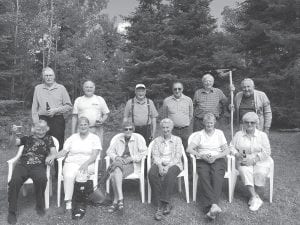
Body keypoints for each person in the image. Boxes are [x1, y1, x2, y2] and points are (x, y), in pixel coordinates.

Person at [7, 120, 57, 225]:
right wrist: (13, 133)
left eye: (43, 129)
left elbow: (54, 152)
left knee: (41, 179)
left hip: (38, 165)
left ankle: (39, 205)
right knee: (14, 181)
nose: (41, 132)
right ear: (33, 129)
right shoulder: (27, 138)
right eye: (38, 129)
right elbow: (12, 143)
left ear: (47, 129)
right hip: (23, 165)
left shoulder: (49, 139)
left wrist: (51, 157)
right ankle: (12, 211)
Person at [186, 113, 229, 220]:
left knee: (217, 176)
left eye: (211, 122)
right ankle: (214, 205)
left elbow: (227, 150)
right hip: (202, 159)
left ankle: (211, 206)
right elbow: (189, 149)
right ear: (203, 123)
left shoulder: (219, 133)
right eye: (207, 123)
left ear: (214, 123)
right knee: (204, 176)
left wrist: (216, 156)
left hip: (218, 158)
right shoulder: (199, 135)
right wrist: (201, 155)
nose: (209, 125)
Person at [55, 117, 101, 210]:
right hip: (71, 162)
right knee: (68, 175)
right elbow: (63, 152)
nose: (83, 126)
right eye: (81, 124)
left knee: (81, 174)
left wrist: (86, 163)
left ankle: (80, 200)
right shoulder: (72, 138)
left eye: (85, 124)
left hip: (88, 163)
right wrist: (52, 156)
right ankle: (68, 201)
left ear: (88, 126)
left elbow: (95, 155)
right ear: (78, 126)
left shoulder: (94, 138)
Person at [230, 112, 273, 211]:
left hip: (260, 160)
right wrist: (236, 154)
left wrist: (254, 160)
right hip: (244, 159)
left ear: (256, 123)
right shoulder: (238, 135)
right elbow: (231, 146)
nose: (249, 124)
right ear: (243, 123)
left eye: (252, 122)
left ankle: (254, 197)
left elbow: (267, 151)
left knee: (260, 172)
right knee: (245, 171)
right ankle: (255, 197)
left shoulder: (262, 135)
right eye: (247, 122)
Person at [106, 121, 147, 213]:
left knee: (113, 174)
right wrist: (116, 157)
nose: (128, 131)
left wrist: (132, 158)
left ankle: (116, 200)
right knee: (116, 170)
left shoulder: (137, 138)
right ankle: (120, 199)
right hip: (119, 162)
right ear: (123, 130)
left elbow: (144, 152)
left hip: (131, 164)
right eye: (126, 129)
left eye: (130, 129)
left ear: (133, 129)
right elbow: (109, 152)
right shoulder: (118, 139)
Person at [148, 118, 183, 221]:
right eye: (163, 127)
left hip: (174, 164)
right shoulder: (157, 140)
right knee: (152, 174)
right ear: (161, 128)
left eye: (167, 127)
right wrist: (159, 166)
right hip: (159, 163)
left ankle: (161, 206)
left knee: (169, 175)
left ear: (171, 128)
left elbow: (177, 156)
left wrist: (168, 166)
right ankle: (164, 204)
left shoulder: (177, 140)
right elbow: (155, 155)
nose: (165, 129)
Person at [32, 67, 72, 150]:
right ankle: (43, 162)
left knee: (58, 142)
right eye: (46, 75)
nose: (48, 77)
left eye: (50, 75)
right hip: (42, 120)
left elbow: (69, 106)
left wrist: (56, 110)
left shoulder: (61, 88)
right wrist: (36, 123)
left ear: (54, 77)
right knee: (42, 143)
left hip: (57, 119)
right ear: (43, 77)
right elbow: (34, 108)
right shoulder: (38, 88)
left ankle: (58, 162)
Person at [72, 80, 110, 145]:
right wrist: (73, 133)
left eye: (91, 87)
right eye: (87, 87)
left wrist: (102, 121)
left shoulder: (99, 99)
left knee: (97, 150)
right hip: (82, 129)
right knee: (81, 150)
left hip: (97, 130)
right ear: (83, 88)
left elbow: (106, 113)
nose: (89, 89)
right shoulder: (78, 100)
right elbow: (74, 117)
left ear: (94, 88)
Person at [162, 82, 193, 149]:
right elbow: (165, 116)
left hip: (185, 130)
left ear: (182, 89)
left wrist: (184, 123)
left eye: (179, 89)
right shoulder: (166, 101)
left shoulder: (188, 100)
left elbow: (191, 115)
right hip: (172, 130)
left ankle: (186, 160)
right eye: (175, 89)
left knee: (186, 149)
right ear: (172, 90)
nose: (177, 91)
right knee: (172, 149)